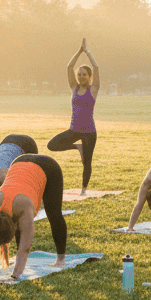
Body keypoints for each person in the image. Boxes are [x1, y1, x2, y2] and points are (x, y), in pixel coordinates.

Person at [0, 154, 67, 282]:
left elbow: (25, 248)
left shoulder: (24, 207)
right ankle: (20, 264)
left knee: (54, 214)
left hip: (48, 167)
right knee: (24, 226)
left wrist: (15, 276)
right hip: (18, 161)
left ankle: (61, 259)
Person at [47, 39, 100, 195]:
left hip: (89, 132)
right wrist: (79, 51)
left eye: (84, 74)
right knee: (52, 145)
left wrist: (87, 51)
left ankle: (83, 190)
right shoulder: (74, 87)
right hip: (74, 130)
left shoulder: (93, 89)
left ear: (89, 77)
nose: (81, 77)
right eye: (79, 74)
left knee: (87, 162)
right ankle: (78, 147)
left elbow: (96, 67)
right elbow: (69, 67)